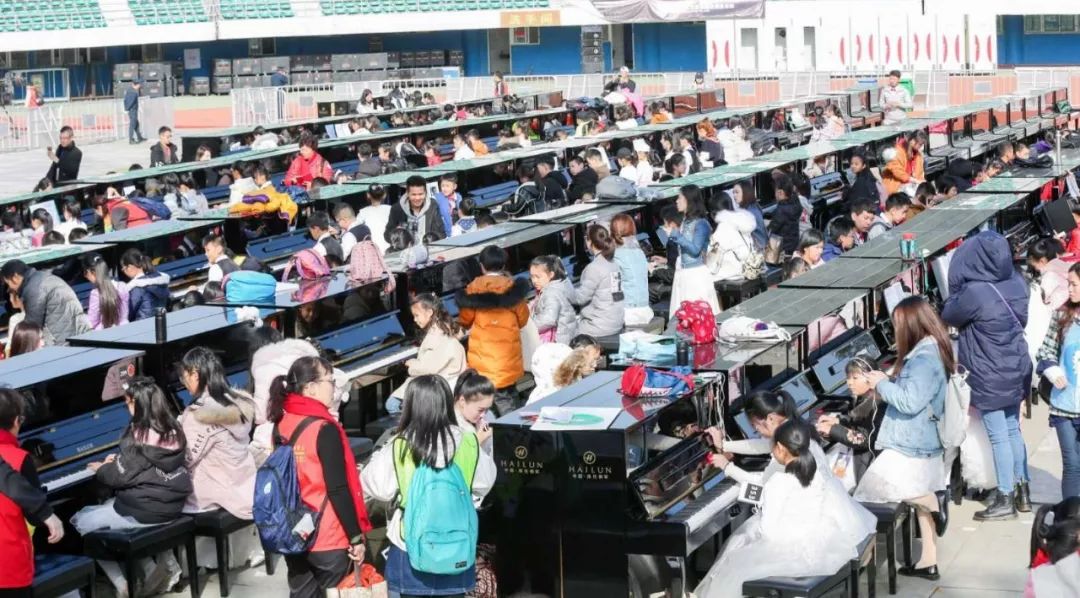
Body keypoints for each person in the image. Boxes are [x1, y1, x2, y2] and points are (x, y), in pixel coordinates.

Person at [695, 419, 875, 598]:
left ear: (780, 448)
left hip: (792, 552)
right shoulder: (813, 469)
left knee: (732, 562)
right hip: (821, 542)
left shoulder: (778, 481)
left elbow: (769, 532)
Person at [361, 375, 495, 596]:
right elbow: (485, 483)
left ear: (411, 405)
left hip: (409, 546)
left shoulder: (400, 444)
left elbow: (374, 486)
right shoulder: (468, 443)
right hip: (457, 544)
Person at [854, 296, 952, 579]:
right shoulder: (931, 350)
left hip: (911, 442)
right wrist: (887, 383)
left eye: (897, 323)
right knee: (917, 501)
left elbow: (910, 402)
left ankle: (934, 503)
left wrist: (881, 383)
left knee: (869, 493)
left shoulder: (923, 360)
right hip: (922, 439)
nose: (895, 329)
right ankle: (928, 562)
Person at [71, 377, 191, 596]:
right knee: (115, 508)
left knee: (86, 526)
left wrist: (102, 468)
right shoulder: (172, 428)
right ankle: (152, 569)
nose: (126, 407)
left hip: (148, 510)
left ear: (137, 403)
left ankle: (123, 586)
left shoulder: (139, 435)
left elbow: (119, 477)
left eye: (127, 402)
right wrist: (119, 460)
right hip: (172, 504)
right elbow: (142, 466)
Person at [942, 230, 1033, 518]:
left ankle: (1005, 498)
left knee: (998, 436)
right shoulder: (1017, 282)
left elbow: (949, 315)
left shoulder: (975, 293)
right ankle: (1023, 490)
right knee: (1013, 430)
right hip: (1016, 365)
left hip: (990, 371)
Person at [265, 356, 372, 597]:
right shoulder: (324, 428)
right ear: (311, 387)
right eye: (330, 381)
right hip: (328, 535)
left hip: (295, 533)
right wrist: (356, 537)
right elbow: (337, 489)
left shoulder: (281, 423)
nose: (334, 387)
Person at [177, 348, 261, 568]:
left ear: (195, 374)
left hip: (218, 493)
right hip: (245, 485)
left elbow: (187, 459)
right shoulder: (238, 401)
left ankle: (191, 566)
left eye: (184, 377)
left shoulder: (198, 414)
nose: (184, 383)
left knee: (169, 499)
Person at [0, 389, 66, 596]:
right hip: (8, 563)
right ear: (17, 421)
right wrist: (44, 508)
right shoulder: (19, 458)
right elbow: (34, 518)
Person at [456, 246, 530, 411]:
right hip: (508, 356)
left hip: (483, 357)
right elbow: (523, 319)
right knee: (509, 392)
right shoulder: (512, 287)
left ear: (481, 266)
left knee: (494, 398)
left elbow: (465, 319)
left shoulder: (473, 287)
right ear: (503, 265)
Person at [1035, 262, 1080, 500]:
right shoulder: (1063, 315)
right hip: (1064, 406)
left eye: (1074, 284)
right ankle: (1071, 516)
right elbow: (1045, 351)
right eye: (1068, 283)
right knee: (1071, 464)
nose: (1069, 289)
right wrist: (1052, 370)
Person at [387, 294, 467, 413]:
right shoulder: (446, 328)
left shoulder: (436, 335)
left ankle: (415, 424)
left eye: (417, 315)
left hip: (434, 388)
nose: (414, 320)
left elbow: (427, 369)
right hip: (443, 384)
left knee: (392, 404)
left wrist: (411, 364)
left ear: (429, 313)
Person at [817, 358, 887, 481]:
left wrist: (833, 429)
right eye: (848, 378)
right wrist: (838, 421)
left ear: (871, 377)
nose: (849, 382)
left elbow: (865, 439)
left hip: (871, 461)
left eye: (855, 378)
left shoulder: (878, 404)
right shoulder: (864, 397)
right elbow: (857, 422)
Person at [0, 259, 89, 345]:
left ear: (15, 277)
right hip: (78, 331)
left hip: (63, 339)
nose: (10, 288)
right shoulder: (43, 277)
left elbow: (32, 326)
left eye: (8, 283)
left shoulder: (33, 288)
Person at [663, 185, 721, 314]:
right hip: (683, 273)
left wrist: (676, 235)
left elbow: (695, 250)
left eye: (679, 198)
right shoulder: (685, 221)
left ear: (688, 200)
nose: (677, 201)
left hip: (695, 275)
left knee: (697, 314)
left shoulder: (701, 223)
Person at [573, 225, 625, 338]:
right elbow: (617, 296)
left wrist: (565, 290)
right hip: (617, 322)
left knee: (567, 330)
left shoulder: (593, 268)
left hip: (598, 326)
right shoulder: (614, 264)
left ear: (589, 242)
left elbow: (580, 299)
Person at [610, 214, 653, 327]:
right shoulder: (640, 252)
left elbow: (615, 291)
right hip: (646, 310)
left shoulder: (616, 255)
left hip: (629, 313)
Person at [708, 192, 759, 282]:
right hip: (747, 268)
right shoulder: (742, 220)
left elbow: (713, 261)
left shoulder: (723, 227)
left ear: (713, 213)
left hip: (732, 272)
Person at [529, 255, 578, 344]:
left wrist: (530, 327)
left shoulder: (551, 292)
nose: (534, 281)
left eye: (538, 277)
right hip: (567, 335)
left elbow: (549, 319)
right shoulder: (557, 285)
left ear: (551, 275)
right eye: (532, 277)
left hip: (559, 340)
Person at [386, 175, 445, 245]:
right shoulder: (397, 209)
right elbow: (387, 234)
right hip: (406, 250)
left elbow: (442, 233)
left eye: (420, 194)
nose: (417, 198)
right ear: (407, 193)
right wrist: (397, 234)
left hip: (428, 248)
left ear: (426, 193)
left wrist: (431, 238)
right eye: (413, 194)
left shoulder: (433, 206)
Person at [120, 248, 171, 322]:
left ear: (130, 267)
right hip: (161, 323)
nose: (124, 272)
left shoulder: (137, 288)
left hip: (143, 325)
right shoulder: (161, 281)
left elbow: (128, 313)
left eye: (123, 269)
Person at [83, 252, 129, 330]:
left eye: (85, 273)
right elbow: (125, 313)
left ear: (93, 272)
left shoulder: (95, 293)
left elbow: (92, 322)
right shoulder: (122, 286)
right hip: (126, 328)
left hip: (104, 332)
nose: (85, 276)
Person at [454, 370, 496, 453]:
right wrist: (478, 440)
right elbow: (456, 458)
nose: (483, 415)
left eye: (487, 409)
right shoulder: (449, 427)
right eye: (480, 410)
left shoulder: (487, 416)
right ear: (462, 401)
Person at [768, 176, 803, 257]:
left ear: (780, 193)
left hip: (783, 247)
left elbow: (772, 228)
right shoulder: (796, 203)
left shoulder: (781, 210)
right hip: (794, 242)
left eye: (775, 191)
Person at [883, 132, 926, 196]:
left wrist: (922, 183)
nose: (921, 147)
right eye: (920, 144)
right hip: (896, 187)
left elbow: (919, 174)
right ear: (913, 141)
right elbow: (897, 172)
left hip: (910, 185)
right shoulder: (896, 152)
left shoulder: (918, 155)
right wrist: (914, 180)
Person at [731, 180, 766, 249]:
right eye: (733, 192)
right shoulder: (753, 206)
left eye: (737, 192)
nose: (734, 195)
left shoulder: (749, 212)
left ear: (745, 193)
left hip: (758, 248)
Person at [359, 185, 392, 254]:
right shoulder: (390, 209)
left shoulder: (363, 212)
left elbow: (354, 226)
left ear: (368, 195)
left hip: (373, 249)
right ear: (384, 195)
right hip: (390, 246)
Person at [433, 174, 461, 238]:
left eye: (447, 186)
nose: (444, 189)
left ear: (454, 186)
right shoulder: (437, 198)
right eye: (442, 186)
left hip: (458, 231)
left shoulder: (458, 197)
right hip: (445, 234)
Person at [124, 80, 145, 144]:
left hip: (132, 110)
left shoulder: (130, 90)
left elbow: (125, 100)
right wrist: (127, 109)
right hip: (132, 110)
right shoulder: (133, 92)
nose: (140, 86)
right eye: (139, 85)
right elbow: (130, 102)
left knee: (136, 124)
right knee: (132, 125)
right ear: (137, 85)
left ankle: (139, 137)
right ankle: (131, 139)